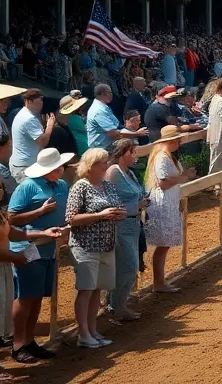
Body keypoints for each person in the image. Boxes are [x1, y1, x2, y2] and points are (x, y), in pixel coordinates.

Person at [0, 173, 63, 381]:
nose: (3, 191)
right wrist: (16, 257)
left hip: (2, 267)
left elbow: (15, 234)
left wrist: (43, 233)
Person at [7, 147, 72, 364]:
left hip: (49, 248)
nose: (62, 169)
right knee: (26, 296)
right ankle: (17, 344)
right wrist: (39, 212)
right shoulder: (27, 187)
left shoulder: (62, 185)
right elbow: (11, 218)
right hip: (28, 248)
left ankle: (28, 340)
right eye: (58, 166)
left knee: (36, 297)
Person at [65, 147, 126, 348]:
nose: (106, 166)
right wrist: (101, 215)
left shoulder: (108, 186)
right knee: (86, 290)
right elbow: (71, 219)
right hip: (85, 245)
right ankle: (83, 333)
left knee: (96, 289)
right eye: (102, 163)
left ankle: (92, 329)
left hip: (106, 243)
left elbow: (117, 208)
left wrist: (119, 214)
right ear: (90, 166)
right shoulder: (80, 187)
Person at [145, 125, 193, 293]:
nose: (180, 141)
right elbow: (163, 183)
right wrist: (183, 177)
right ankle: (158, 282)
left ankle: (159, 281)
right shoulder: (162, 157)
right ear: (171, 140)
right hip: (163, 202)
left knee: (164, 244)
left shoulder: (168, 156)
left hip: (170, 201)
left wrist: (184, 175)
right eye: (178, 138)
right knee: (163, 243)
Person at [105, 140, 147, 322]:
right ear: (122, 153)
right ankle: (115, 305)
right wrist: (136, 205)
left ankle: (118, 305)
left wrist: (142, 202)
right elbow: (109, 199)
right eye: (132, 152)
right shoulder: (113, 172)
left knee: (128, 266)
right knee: (129, 266)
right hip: (121, 225)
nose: (135, 155)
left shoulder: (128, 172)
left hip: (133, 223)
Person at [9, 87, 55, 185]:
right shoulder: (28, 119)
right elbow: (43, 141)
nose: (42, 103)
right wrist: (50, 125)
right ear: (29, 101)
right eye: (40, 100)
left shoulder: (25, 115)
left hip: (24, 164)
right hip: (25, 167)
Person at [86, 83, 147, 151]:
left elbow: (118, 126)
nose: (112, 95)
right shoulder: (98, 111)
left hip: (106, 147)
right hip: (101, 149)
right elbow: (113, 134)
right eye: (110, 92)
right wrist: (136, 134)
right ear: (103, 94)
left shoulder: (104, 107)